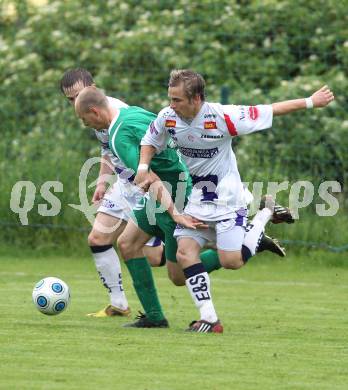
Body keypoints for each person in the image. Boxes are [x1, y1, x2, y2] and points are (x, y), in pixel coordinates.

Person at [74, 86, 291, 329]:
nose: (85, 125)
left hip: (174, 194)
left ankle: (247, 242)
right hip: (165, 190)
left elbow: (150, 179)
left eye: (84, 120)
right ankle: (154, 317)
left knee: (178, 275)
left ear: (94, 112)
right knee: (127, 244)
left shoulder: (118, 138)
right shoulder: (130, 113)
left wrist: (176, 214)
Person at [136, 69, 335, 333]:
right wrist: (142, 166)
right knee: (185, 253)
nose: (171, 105)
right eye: (170, 99)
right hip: (198, 199)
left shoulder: (222, 116)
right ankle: (209, 319)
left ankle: (263, 214)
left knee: (232, 261)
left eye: (177, 100)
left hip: (229, 200)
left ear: (196, 98)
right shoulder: (168, 117)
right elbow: (149, 140)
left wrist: (310, 101)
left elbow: (270, 109)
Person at [60, 68, 164, 318]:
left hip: (143, 185)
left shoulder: (116, 112)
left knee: (153, 256)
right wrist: (102, 183)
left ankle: (235, 244)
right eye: (69, 100)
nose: (74, 103)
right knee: (97, 239)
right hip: (123, 185)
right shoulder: (93, 114)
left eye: (77, 96)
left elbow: (143, 148)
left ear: (92, 89)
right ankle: (118, 304)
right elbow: (108, 151)